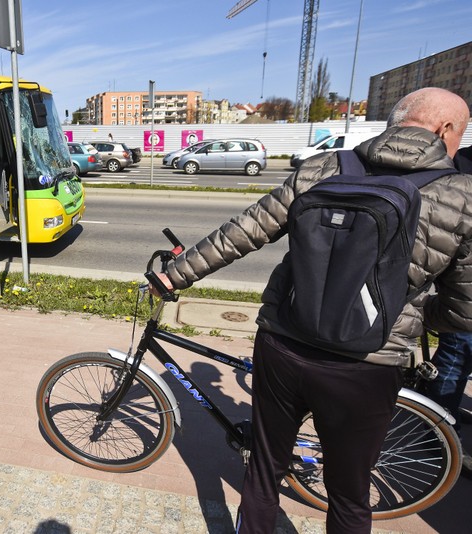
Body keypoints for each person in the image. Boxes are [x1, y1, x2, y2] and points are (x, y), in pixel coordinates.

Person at [154, 87, 472, 533]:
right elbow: (464, 312)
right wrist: (411, 314)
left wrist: (175, 275)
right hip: (366, 365)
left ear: (394, 123)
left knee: (264, 469)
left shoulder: (326, 166)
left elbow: (247, 229)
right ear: (444, 130)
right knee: (348, 493)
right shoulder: (461, 194)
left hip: (284, 344)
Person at [422, 143, 472, 475]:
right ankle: (436, 435)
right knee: (455, 360)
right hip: (463, 288)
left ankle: (439, 424)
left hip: (461, 287)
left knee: (455, 360)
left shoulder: (463, 160)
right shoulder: (463, 161)